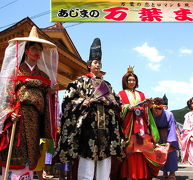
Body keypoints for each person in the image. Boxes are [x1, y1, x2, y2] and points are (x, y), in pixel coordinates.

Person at [55, 38, 124, 180]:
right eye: (95, 62)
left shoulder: (107, 85)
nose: (98, 64)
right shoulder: (80, 82)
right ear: (88, 65)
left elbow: (117, 102)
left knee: (104, 162)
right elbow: (68, 100)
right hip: (88, 127)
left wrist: (107, 101)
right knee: (87, 158)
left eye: (99, 62)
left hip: (105, 128)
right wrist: (83, 101)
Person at [0, 26, 58, 179]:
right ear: (26, 51)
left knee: (32, 153)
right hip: (18, 118)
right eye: (33, 48)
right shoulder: (15, 71)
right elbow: (6, 95)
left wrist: (51, 92)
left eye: (39, 49)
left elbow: (46, 98)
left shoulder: (44, 75)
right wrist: (8, 113)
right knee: (16, 153)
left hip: (36, 118)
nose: (37, 51)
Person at [118, 66, 163, 180]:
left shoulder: (142, 94)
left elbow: (146, 110)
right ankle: (129, 175)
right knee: (130, 150)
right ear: (125, 81)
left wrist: (148, 106)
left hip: (141, 126)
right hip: (129, 126)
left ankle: (141, 175)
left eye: (133, 80)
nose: (131, 82)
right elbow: (118, 108)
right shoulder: (121, 94)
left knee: (142, 150)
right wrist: (128, 107)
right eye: (129, 80)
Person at [152, 97, 179, 180]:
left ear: (161, 109)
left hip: (168, 134)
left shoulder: (169, 114)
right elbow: (151, 128)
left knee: (170, 153)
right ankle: (164, 172)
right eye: (154, 109)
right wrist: (154, 141)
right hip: (158, 135)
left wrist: (169, 143)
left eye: (158, 110)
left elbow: (172, 129)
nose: (155, 112)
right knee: (160, 153)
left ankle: (172, 172)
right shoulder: (151, 115)